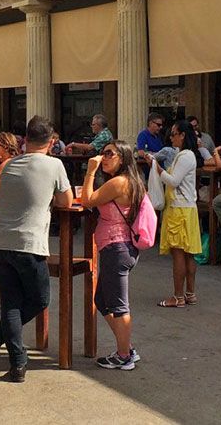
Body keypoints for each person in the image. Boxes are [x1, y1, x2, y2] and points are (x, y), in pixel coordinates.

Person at [0, 116, 72, 382]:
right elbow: (66, 200)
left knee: (11, 302)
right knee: (39, 299)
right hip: (28, 244)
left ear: (25, 140)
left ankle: (17, 363)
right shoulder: (55, 165)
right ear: (52, 142)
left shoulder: (10, 165)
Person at [81, 140, 145, 370]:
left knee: (119, 306)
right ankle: (126, 346)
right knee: (102, 301)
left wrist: (90, 172)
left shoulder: (119, 183)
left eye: (110, 153)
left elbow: (87, 200)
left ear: (122, 158)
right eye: (103, 153)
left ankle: (124, 355)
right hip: (119, 246)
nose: (104, 157)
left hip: (116, 247)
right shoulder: (132, 181)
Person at [152, 119, 203, 308]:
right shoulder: (186, 155)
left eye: (173, 134)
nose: (171, 137)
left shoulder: (185, 156)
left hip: (178, 209)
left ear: (182, 135)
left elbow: (173, 181)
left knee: (179, 254)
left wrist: (158, 169)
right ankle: (190, 293)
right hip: (187, 208)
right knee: (188, 253)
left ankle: (178, 296)